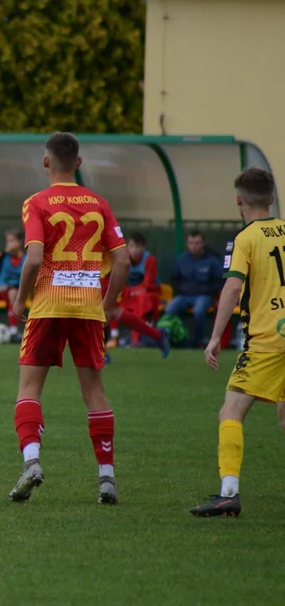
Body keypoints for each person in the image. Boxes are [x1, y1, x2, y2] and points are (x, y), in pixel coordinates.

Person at [8, 132, 130, 506]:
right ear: (79, 163)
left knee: (29, 388)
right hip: (89, 309)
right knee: (94, 392)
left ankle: (31, 463)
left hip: (47, 305)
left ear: (46, 162)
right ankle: (106, 478)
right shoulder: (99, 204)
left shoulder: (37, 203)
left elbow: (32, 258)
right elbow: (123, 261)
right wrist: (108, 304)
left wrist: (19, 299)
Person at [190, 167, 285, 517]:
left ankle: (228, 492)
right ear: (272, 198)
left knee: (230, 411)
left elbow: (232, 287)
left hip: (266, 341)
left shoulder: (245, 239)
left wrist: (216, 337)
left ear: (238, 200)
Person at [100, 249, 170, 363]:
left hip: (101, 273)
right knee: (111, 311)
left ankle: (101, 351)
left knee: (99, 310)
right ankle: (157, 335)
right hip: (95, 271)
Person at [163, 230, 223, 347]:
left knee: (199, 311)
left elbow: (220, 281)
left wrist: (209, 291)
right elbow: (174, 280)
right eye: (191, 243)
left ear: (203, 243)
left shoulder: (212, 260)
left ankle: (198, 341)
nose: (194, 246)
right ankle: (173, 339)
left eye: (197, 243)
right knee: (170, 309)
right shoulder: (181, 260)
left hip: (204, 295)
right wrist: (181, 290)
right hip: (184, 295)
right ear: (187, 244)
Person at [107, 233, 162, 347]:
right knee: (112, 302)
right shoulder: (122, 260)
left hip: (148, 295)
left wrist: (130, 291)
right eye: (131, 246)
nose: (134, 250)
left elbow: (148, 284)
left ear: (143, 248)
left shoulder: (150, 260)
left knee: (141, 302)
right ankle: (114, 337)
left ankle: (136, 340)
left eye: (138, 247)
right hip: (130, 295)